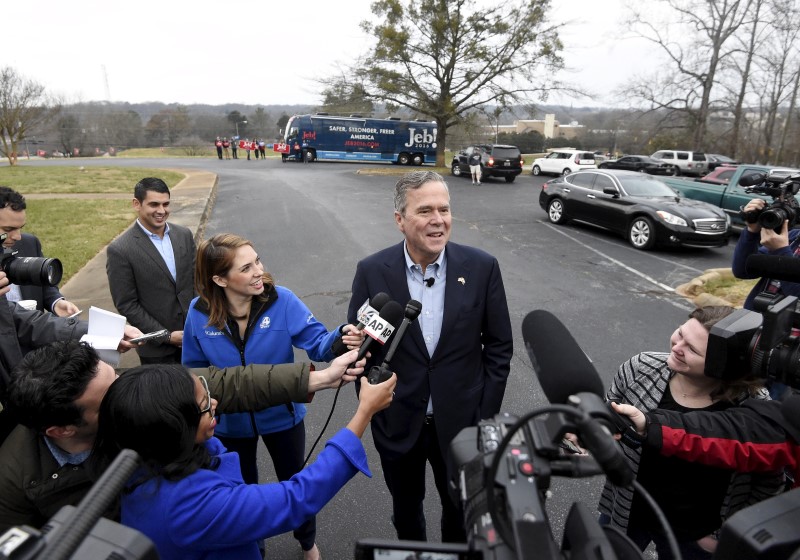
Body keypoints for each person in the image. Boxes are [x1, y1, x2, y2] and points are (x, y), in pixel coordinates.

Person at [0, 340, 369, 533]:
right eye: (111, 395)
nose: (129, 388)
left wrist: (318, 378)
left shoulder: (121, 395)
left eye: (117, 378)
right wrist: (363, 415)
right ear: (62, 430)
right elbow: (294, 500)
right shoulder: (14, 483)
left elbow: (225, 381)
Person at [346, 170, 513, 542]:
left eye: (444, 209)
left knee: (461, 511)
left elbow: (499, 346)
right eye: (425, 211)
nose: (438, 220)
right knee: (406, 511)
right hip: (397, 420)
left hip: (463, 424)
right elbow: (363, 345)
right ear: (400, 220)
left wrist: (484, 414)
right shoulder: (372, 270)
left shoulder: (482, 267)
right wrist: (368, 393)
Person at [91, 362, 394, 560]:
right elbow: (297, 499)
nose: (213, 403)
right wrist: (364, 411)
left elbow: (242, 382)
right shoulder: (191, 506)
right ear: (171, 431)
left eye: (206, 393)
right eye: (202, 406)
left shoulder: (139, 457)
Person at [183, 232, 361, 560]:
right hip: (229, 424)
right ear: (220, 279)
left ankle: (307, 542)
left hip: (284, 417)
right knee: (241, 492)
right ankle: (254, 548)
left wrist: (341, 337)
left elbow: (319, 343)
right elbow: (193, 371)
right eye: (246, 267)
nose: (259, 272)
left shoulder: (283, 300)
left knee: (295, 481)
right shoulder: (198, 312)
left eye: (258, 261)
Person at [598, 306, 783, 560]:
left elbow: (768, 482)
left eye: (692, 349)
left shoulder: (755, 408)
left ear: (723, 366)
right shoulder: (640, 368)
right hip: (628, 511)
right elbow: (605, 414)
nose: (676, 346)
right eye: (680, 333)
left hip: (697, 534)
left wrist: (731, 533)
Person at [106, 178, 195, 365]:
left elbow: (196, 281)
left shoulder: (184, 235)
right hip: (158, 352)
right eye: (154, 204)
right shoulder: (121, 250)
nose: (161, 211)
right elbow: (127, 304)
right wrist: (167, 336)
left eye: (166, 204)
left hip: (195, 339)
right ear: (136, 204)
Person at [731, 198, 800, 400]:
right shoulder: (794, 237)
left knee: (768, 411)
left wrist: (781, 252)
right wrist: (752, 231)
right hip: (755, 336)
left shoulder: (786, 244)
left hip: (789, 350)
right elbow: (743, 269)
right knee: (733, 396)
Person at [0, 186, 80, 317]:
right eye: (8, 229)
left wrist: (56, 302)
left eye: (20, 228)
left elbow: (42, 283)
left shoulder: (29, 243)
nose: (17, 237)